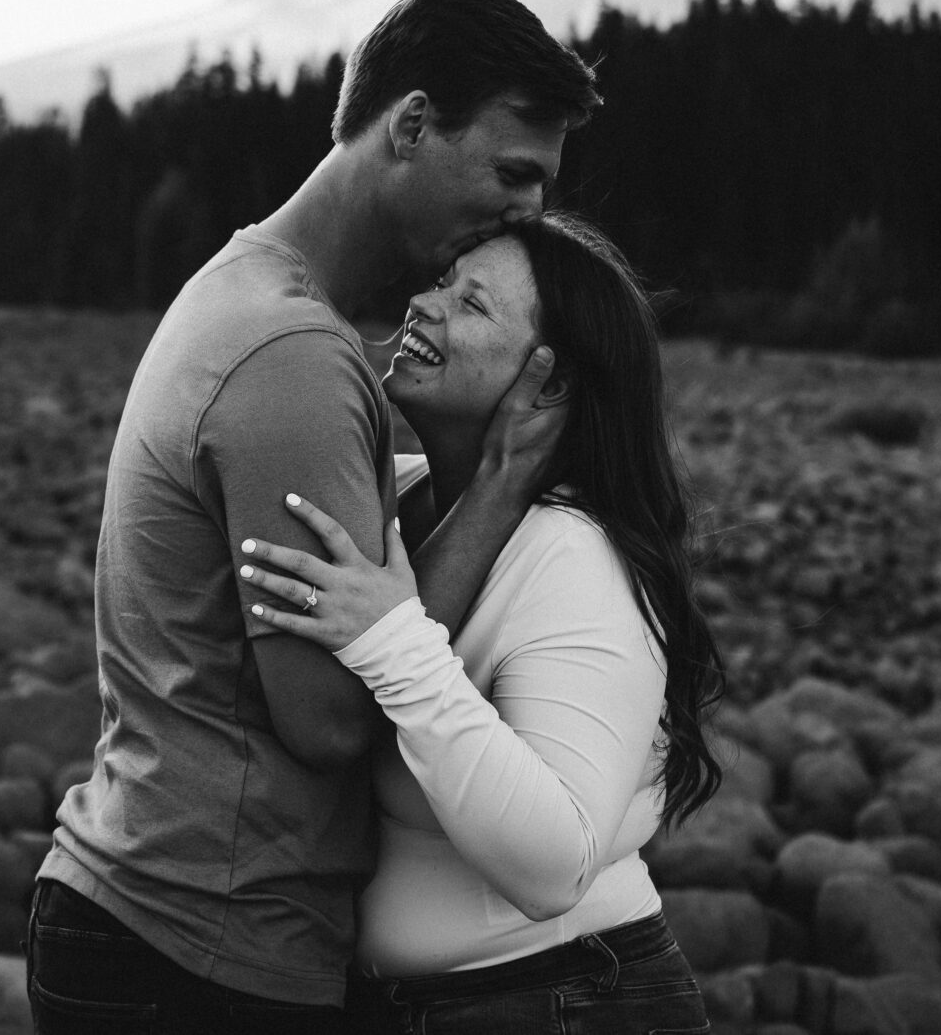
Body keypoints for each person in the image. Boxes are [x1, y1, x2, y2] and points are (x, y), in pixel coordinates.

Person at [31, 0, 603, 1032]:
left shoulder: (239, 286)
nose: (532, 214)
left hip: (154, 911)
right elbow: (332, 713)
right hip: (203, 946)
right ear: (413, 124)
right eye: (514, 172)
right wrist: (499, 484)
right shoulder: (295, 354)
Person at [239, 212, 727, 1035]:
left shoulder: (571, 555)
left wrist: (395, 640)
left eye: (473, 305)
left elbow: (554, 862)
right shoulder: (395, 498)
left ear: (551, 383)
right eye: (440, 282)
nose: (425, 305)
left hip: (568, 999)